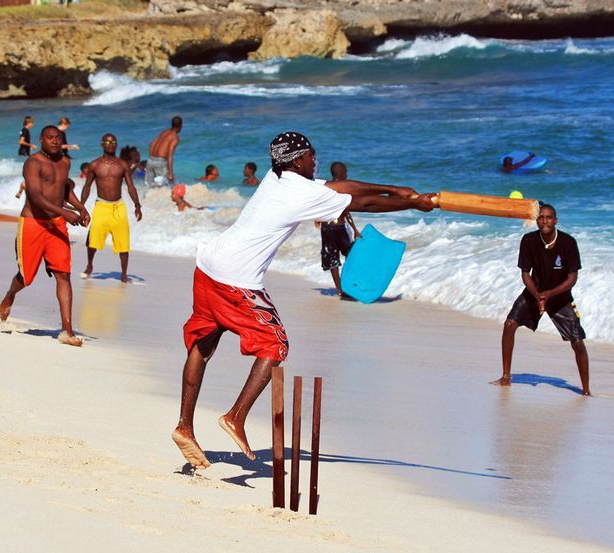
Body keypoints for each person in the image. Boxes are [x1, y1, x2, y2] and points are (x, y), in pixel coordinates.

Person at [172, 131, 436, 469]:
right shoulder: (302, 194)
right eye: (312, 156)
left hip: (208, 266)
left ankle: (184, 425)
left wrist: (395, 188)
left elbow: (344, 188)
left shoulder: (275, 177)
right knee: (274, 345)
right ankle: (236, 416)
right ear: (298, 161)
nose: (316, 161)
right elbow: (362, 202)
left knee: (202, 345)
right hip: (236, 279)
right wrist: (411, 202)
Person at [0, 125, 90, 347]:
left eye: (57, 138)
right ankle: (11, 294)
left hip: (56, 225)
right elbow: (36, 197)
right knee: (26, 277)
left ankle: (67, 330)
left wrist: (80, 207)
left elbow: (64, 189)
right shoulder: (33, 163)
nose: (55, 141)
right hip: (33, 224)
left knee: (63, 275)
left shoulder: (65, 162)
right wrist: (65, 212)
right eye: (50, 138)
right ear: (41, 140)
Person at [492, 204, 590, 395]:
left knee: (577, 341)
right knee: (510, 324)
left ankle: (586, 390)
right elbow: (525, 273)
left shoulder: (568, 243)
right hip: (534, 291)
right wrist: (538, 296)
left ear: (556, 220)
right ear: (537, 220)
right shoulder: (528, 240)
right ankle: (505, 376)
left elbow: (572, 278)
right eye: (541, 217)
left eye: (549, 217)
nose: (545, 221)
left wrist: (549, 295)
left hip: (560, 297)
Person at [80, 133, 142, 283]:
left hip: (118, 207)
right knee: (93, 239)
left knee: (123, 241)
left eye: (113, 142)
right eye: (107, 142)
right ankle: (89, 265)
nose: (110, 144)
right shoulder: (95, 165)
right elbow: (87, 186)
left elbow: (130, 186)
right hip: (101, 206)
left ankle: (124, 274)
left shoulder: (122, 164)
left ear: (116, 144)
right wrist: (81, 207)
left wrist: (137, 205)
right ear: (102, 144)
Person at [319, 161, 361, 299]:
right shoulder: (343, 188)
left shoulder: (326, 187)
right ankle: (351, 284)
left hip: (326, 228)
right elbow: (347, 211)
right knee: (350, 255)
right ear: (342, 174)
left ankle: (339, 289)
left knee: (332, 260)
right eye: (346, 173)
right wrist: (355, 229)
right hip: (339, 228)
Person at [145, 115, 182, 186]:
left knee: (150, 186)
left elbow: (151, 145)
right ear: (180, 126)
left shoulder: (164, 132)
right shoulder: (175, 137)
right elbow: (170, 155)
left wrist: (152, 160)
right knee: (164, 187)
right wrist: (171, 173)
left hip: (150, 161)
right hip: (160, 163)